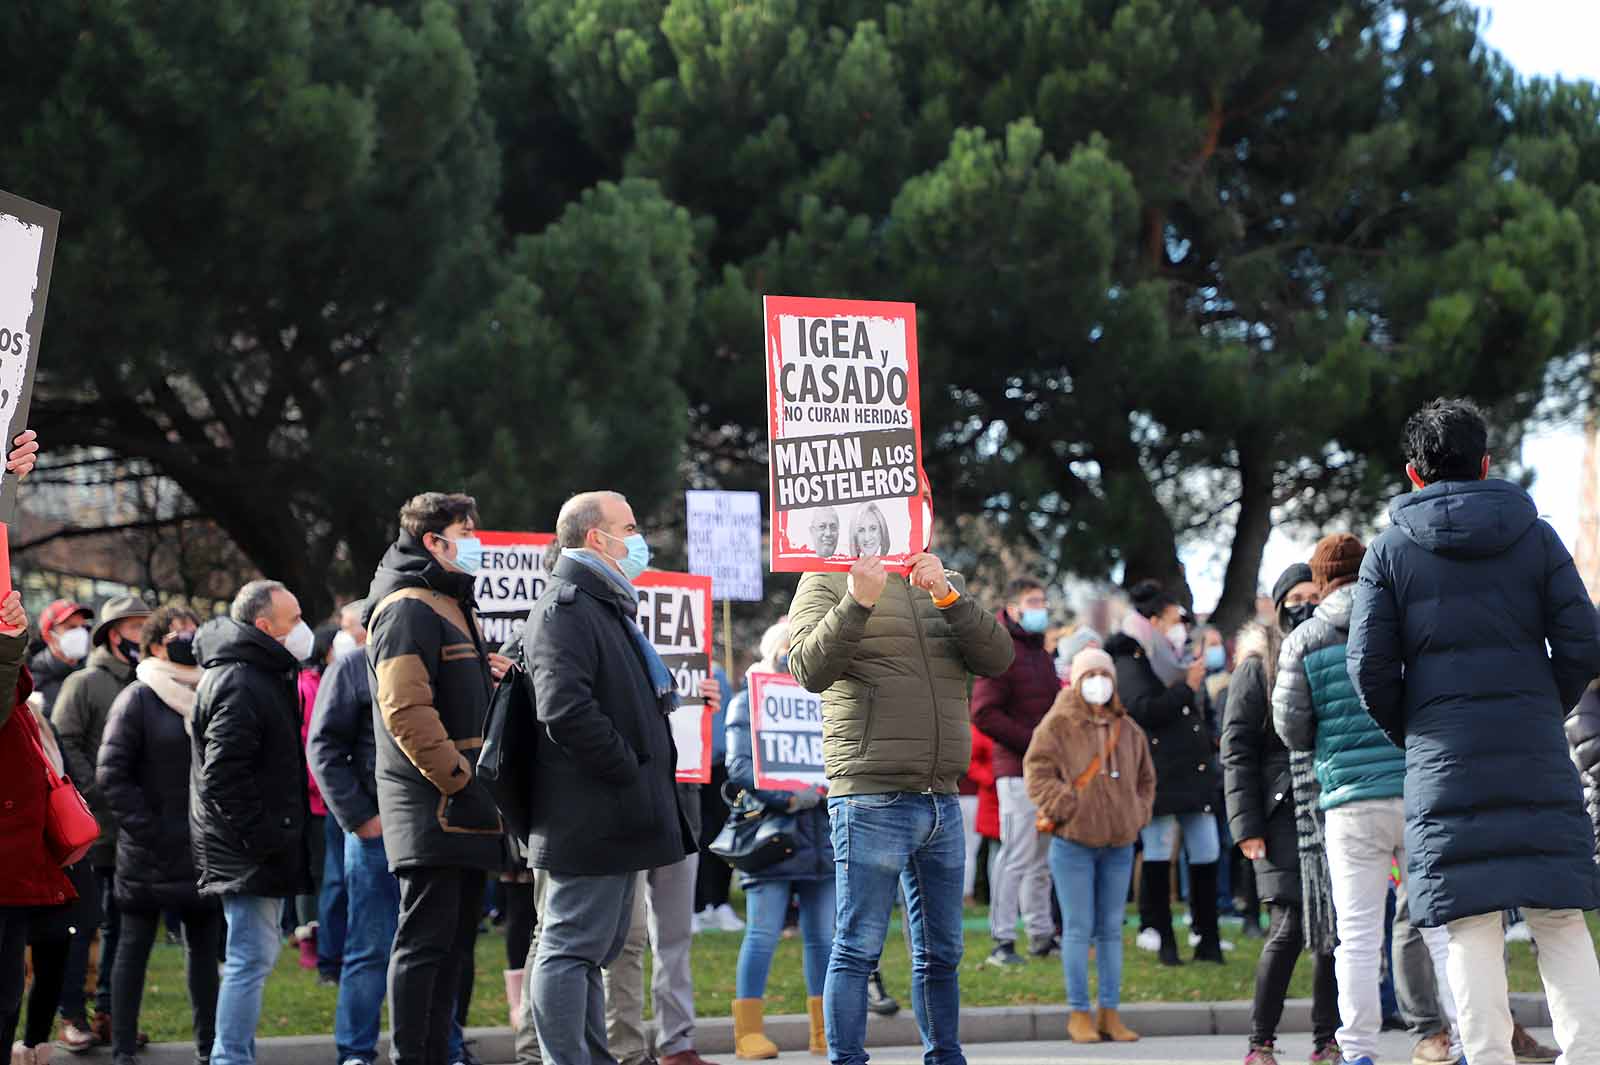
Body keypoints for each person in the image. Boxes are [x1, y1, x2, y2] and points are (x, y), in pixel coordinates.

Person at [1348, 398, 1600, 1065]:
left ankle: (1486, 1056)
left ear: (1412, 472)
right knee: (1560, 916)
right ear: (1487, 463)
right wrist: (1544, 703)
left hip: (1443, 759)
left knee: (1469, 923)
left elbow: (1368, 668)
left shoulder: (1389, 551)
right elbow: (1583, 639)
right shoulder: (1536, 536)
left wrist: (1419, 727)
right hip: (1536, 752)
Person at [789, 548, 1013, 1065]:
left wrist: (948, 596)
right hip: (871, 795)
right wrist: (856, 600)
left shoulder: (942, 580)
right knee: (858, 946)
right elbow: (807, 667)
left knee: (942, 953)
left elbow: (998, 657)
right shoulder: (825, 577)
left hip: (941, 795)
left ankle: (945, 1057)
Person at [523, 491, 697, 1065]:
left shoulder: (602, 606)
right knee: (569, 949)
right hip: (590, 814)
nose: (639, 537)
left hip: (613, 814)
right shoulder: (566, 607)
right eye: (629, 526)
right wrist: (627, 769)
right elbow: (564, 710)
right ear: (597, 538)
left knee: (588, 952)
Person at [1275, 534, 1461, 1065]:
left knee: (1356, 937)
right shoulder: (1403, 624)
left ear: (1321, 579)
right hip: (1416, 792)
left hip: (1348, 803)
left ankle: (1356, 1051)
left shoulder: (1304, 639)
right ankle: (1469, 1041)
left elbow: (1290, 728)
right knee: (1441, 928)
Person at [363, 492, 509, 1065]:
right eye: (465, 531)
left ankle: (435, 1053)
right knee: (424, 947)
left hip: (464, 808)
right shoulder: (407, 607)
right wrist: (460, 782)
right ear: (432, 541)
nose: (475, 542)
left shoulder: (448, 603)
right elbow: (405, 711)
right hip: (434, 809)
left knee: (452, 951)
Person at [191, 580, 315, 1065]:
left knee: (254, 957)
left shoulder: (258, 674)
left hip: (252, 845)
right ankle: (230, 1058)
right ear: (265, 627)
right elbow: (223, 775)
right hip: (247, 849)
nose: (303, 629)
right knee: (248, 958)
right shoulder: (242, 680)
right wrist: (264, 836)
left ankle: (233, 1054)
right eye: (294, 619)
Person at [1221, 564, 1339, 1065]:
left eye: (1315, 595)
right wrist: (1245, 826)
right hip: (1277, 815)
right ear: (1278, 603)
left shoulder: (1334, 649)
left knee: (1332, 933)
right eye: (1297, 596)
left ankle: (1326, 1040)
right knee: (1289, 927)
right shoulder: (1257, 666)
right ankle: (1260, 1042)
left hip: (1329, 808)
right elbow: (1237, 750)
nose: (1307, 604)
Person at [96, 603, 221, 1065]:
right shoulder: (138, 698)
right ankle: (123, 1049)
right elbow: (112, 774)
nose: (189, 636)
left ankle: (210, 1049)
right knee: (132, 951)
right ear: (153, 644)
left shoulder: (211, 690)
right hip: (149, 850)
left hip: (201, 848)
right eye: (177, 631)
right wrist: (149, 829)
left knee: (204, 957)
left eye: (193, 627)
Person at [1025, 645, 1155, 1044]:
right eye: (1090, 675)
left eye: (1104, 675)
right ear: (1077, 680)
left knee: (1111, 931)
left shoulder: (1128, 729)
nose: (1098, 683)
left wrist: (1136, 815)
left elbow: (1146, 780)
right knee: (1079, 929)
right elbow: (1036, 770)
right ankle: (1079, 1012)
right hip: (1073, 842)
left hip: (1118, 844)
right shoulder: (1057, 724)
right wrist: (1066, 804)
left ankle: (1110, 1013)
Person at [723, 620, 834, 1059]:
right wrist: (787, 798)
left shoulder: (824, 700)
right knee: (763, 932)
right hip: (772, 835)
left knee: (823, 937)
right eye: (794, 645)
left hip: (820, 836)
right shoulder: (744, 704)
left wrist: (825, 788)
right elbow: (739, 769)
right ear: (775, 650)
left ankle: (825, 1031)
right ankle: (748, 1032)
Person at [53, 594, 152, 1049]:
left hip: (128, 830)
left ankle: (109, 1013)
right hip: (90, 829)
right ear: (115, 635)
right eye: (136, 628)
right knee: (83, 924)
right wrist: (99, 790)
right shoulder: (85, 683)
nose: (144, 637)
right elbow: (63, 742)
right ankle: (70, 1015)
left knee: (119, 925)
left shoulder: (145, 679)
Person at [1105, 580, 1221, 965]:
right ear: (1154, 620)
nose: (1182, 627)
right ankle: (1162, 935)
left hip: (1191, 770)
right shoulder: (1131, 656)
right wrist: (1187, 688)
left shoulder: (1175, 655)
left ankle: (1208, 938)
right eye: (1175, 619)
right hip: (1157, 771)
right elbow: (1142, 708)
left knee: (1206, 850)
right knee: (1157, 852)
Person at [307, 598, 396, 1065]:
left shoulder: (440, 659)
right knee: (370, 945)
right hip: (377, 833)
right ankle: (356, 1051)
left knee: (438, 949)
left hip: (434, 829)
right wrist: (361, 818)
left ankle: (444, 1044)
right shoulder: (354, 668)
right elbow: (323, 747)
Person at [1, 590, 81, 1065]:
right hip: (9, 862)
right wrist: (10, 642)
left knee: (8, 996)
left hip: (23, 863)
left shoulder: (21, 697)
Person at [971, 576, 1062, 966]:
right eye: (1033, 601)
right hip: (1015, 770)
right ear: (1013, 608)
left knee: (1042, 858)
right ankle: (1002, 940)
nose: (1041, 607)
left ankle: (1041, 934)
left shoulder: (1040, 654)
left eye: (1043, 600)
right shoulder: (1000, 651)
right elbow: (983, 713)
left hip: (1045, 770)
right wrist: (1032, 742)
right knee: (1016, 855)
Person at [296, 624, 345, 982]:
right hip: (322, 802)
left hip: (332, 799)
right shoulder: (309, 686)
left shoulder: (326, 681)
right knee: (327, 880)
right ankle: (321, 951)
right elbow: (314, 745)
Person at [28, 600, 93, 718]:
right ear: (49, 635)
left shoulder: (93, 674)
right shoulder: (30, 681)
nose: (80, 633)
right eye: (71, 627)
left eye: (83, 626)